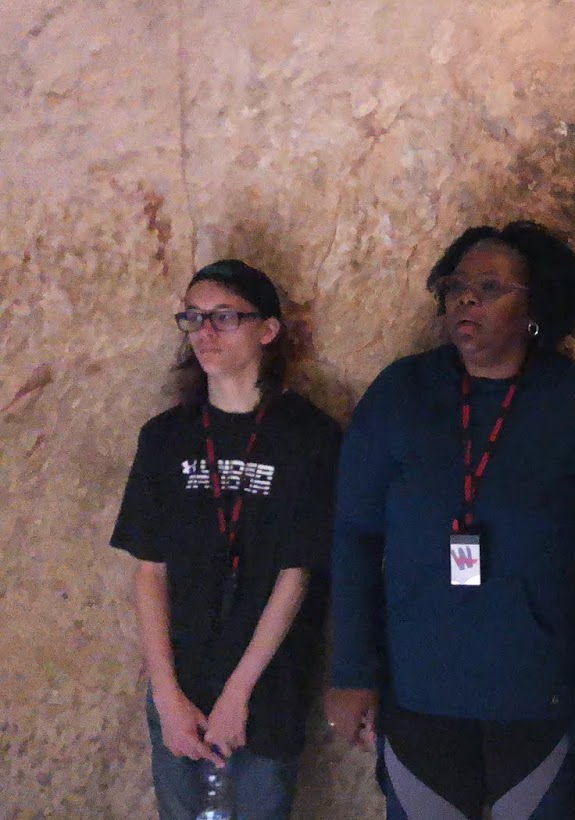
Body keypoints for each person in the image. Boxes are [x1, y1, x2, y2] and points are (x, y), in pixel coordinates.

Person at [325, 221, 575, 819]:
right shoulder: (401, 393)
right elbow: (354, 538)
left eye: (491, 287)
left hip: (543, 692)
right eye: (456, 286)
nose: (466, 299)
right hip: (419, 688)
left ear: (535, 308)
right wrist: (351, 672)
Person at [112, 259, 341, 820]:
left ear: (268, 330)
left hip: (268, 679)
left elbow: (296, 574)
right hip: (181, 682)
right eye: (193, 318)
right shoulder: (165, 437)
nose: (205, 333)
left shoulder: (309, 436)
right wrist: (166, 695)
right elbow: (149, 571)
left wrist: (239, 693)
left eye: (224, 317)